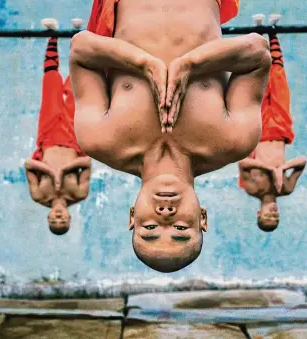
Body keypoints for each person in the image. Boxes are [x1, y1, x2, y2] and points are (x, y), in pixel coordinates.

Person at [68, 0, 271, 272]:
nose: (165, 215)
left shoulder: (99, 139)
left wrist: (143, 64)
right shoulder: (235, 140)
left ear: (132, 216)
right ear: (202, 219)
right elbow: (258, 52)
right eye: (180, 229)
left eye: (150, 228)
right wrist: (190, 64)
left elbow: (81, 48)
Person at [238, 14, 307, 232]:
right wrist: (282, 169)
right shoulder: (285, 188)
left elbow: (243, 164)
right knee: (278, 79)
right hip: (280, 129)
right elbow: (303, 161)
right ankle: (273, 32)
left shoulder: (252, 189)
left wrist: (270, 168)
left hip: (258, 129)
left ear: (259, 213)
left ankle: (257, 32)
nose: (273, 214)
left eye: (268, 217)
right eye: (276, 218)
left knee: (256, 82)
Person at [25, 19, 92, 235]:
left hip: (49, 137)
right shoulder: (79, 193)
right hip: (74, 138)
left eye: (54, 221)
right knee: (74, 89)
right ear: (69, 218)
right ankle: (76, 36)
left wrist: (49, 172)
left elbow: (28, 165)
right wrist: (63, 171)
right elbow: (87, 163)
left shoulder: (38, 195)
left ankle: (52, 37)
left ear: (48, 217)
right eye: (63, 221)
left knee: (51, 87)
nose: (58, 217)